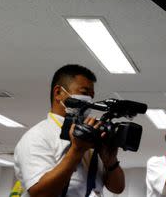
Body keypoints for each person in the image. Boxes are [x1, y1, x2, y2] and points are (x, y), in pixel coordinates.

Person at [14, 64, 126, 197]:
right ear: (58, 93)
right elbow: (41, 194)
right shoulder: (37, 136)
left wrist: (111, 161)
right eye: (84, 93)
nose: (89, 100)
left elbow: (117, 188)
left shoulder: (90, 136)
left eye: (91, 96)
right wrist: (76, 151)